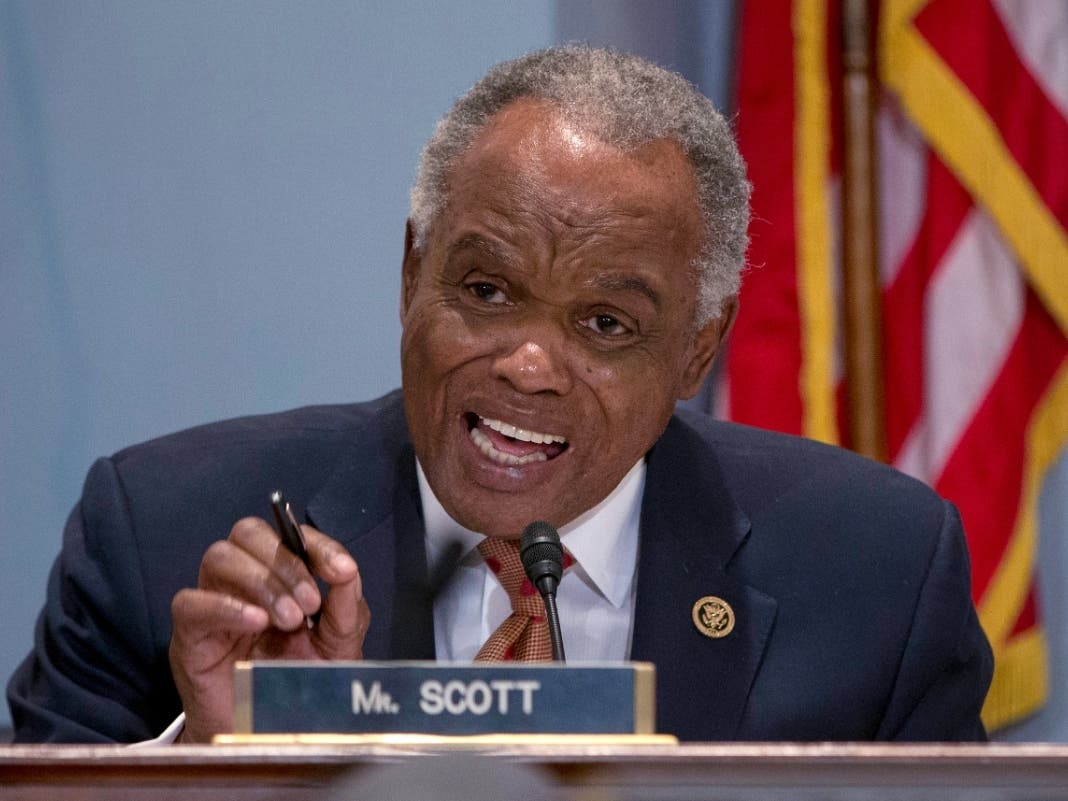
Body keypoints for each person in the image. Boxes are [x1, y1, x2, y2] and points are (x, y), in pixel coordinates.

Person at [7, 45, 992, 744]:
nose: (527, 365)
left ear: (697, 353)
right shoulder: (159, 537)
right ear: (411, 275)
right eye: (485, 291)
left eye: (605, 324)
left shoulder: (877, 581)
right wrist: (219, 770)